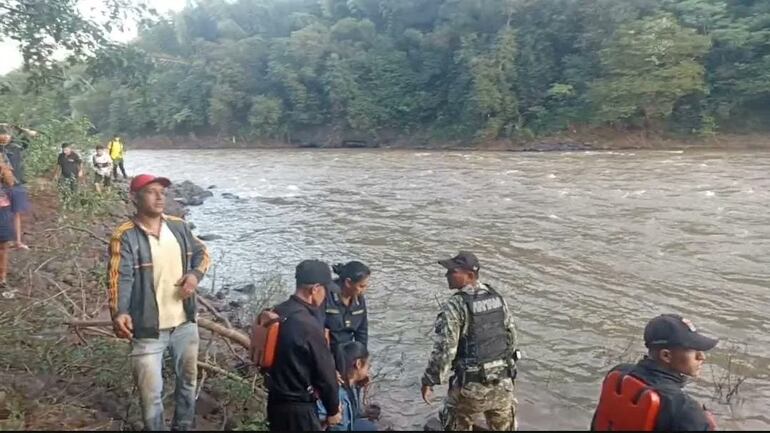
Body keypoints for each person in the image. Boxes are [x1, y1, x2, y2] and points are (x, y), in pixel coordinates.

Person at [107, 174, 210, 431]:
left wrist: (194, 276)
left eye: (162, 192)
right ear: (134, 197)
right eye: (151, 191)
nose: (160, 196)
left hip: (185, 323)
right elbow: (120, 277)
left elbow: (203, 253)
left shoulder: (178, 226)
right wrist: (119, 312)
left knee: (187, 383)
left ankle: (183, 427)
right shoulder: (125, 235)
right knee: (150, 395)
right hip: (147, 328)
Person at [421, 251, 519, 431]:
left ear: (470, 275)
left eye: (452, 271)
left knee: (454, 422)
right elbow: (511, 339)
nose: (447, 275)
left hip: (471, 389)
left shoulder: (456, 305)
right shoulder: (497, 298)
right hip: (503, 385)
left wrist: (429, 380)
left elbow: (445, 350)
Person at [591, 314, 719, 431]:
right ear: (666, 356)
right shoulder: (685, 408)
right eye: (694, 350)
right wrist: (705, 425)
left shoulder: (618, 373)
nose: (702, 357)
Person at [266, 259, 342, 432]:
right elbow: (325, 372)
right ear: (315, 289)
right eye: (325, 290)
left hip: (275, 401)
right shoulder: (308, 325)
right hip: (299, 408)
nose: (325, 297)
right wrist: (333, 409)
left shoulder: (278, 310)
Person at [317, 341, 378, 431]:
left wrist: (364, 391)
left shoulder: (351, 383)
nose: (369, 368)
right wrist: (329, 419)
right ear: (358, 364)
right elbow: (315, 418)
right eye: (368, 365)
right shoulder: (336, 391)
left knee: (370, 426)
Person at [325, 261, 371, 355]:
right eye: (361, 286)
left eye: (366, 286)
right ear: (348, 282)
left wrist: (362, 358)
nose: (365, 290)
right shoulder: (325, 296)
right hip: (327, 351)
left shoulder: (359, 300)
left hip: (346, 351)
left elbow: (362, 332)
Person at [0, 161, 29, 293]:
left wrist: (18, 241)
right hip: (4, 212)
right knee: (3, 249)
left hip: (4, 213)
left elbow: (16, 215)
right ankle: (2, 278)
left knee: (3, 248)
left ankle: (3, 278)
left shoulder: (9, 187)